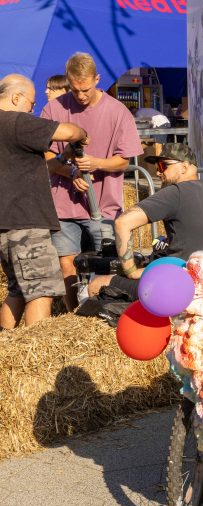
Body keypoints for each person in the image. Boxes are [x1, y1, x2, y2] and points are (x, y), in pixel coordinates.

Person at [41, 52, 142, 311]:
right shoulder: (54, 108)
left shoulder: (117, 111)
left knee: (106, 263)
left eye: (85, 89)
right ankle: (75, 313)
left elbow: (123, 161)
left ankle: (101, 311)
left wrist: (97, 163)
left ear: (97, 79)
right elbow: (45, 155)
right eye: (75, 90)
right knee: (68, 264)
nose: (81, 96)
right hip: (63, 206)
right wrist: (70, 172)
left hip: (104, 207)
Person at [88, 143, 203, 299]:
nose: (159, 172)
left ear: (184, 167)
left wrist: (131, 271)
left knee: (96, 284)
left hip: (189, 288)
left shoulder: (177, 192)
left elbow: (122, 223)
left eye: (163, 165)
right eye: (157, 167)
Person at [0, 74, 87, 329]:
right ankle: (35, 355)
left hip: (5, 223)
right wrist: (81, 133)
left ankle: (6, 349)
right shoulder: (15, 121)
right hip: (26, 221)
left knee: (18, 291)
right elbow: (67, 131)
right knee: (41, 290)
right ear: (16, 97)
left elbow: (31, 170)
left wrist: (63, 158)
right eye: (32, 103)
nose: (33, 109)